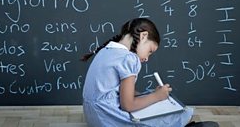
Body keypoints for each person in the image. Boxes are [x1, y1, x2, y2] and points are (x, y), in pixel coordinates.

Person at [81, 18, 219, 127]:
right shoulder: (129, 59)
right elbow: (127, 105)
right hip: (109, 120)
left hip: (94, 118)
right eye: (150, 51)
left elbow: (113, 89)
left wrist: (150, 95)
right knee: (176, 115)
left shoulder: (106, 51)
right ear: (143, 36)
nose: (146, 58)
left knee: (152, 105)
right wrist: (156, 97)